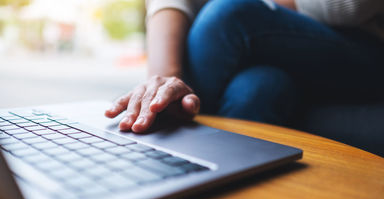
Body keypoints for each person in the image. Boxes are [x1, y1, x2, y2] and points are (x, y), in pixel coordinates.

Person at [105, 0, 384, 133]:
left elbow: (345, 6)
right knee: (258, 88)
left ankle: (180, 142)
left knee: (226, 15)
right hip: (272, 56)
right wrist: (164, 78)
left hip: (366, 48)